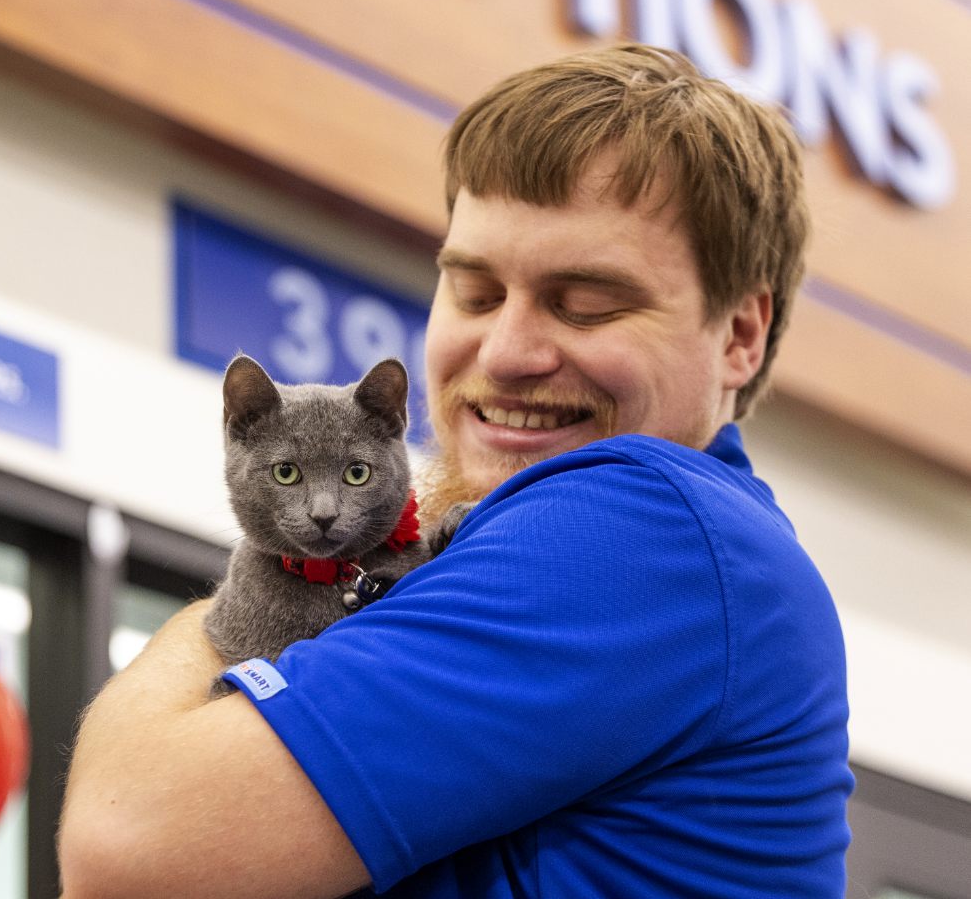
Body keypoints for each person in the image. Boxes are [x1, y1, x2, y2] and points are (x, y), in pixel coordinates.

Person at [58, 44, 853, 899]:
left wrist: (251, 598)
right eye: (474, 294)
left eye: (587, 305)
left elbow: (128, 840)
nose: (507, 352)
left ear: (740, 335)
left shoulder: (649, 526)